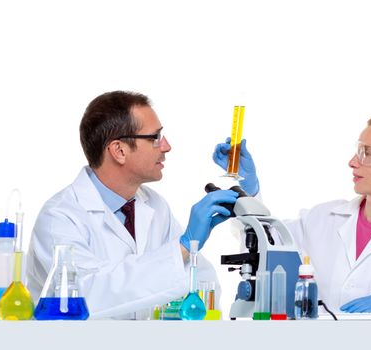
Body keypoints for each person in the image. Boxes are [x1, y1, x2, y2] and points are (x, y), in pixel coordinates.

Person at [27, 91, 239, 319]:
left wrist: (245, 194)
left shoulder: (156, 207)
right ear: (119, 150)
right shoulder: (60, 218)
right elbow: (85, 297)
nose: (167, 146)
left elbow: (205, 286)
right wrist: (183, 248)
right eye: (155, 137)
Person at [213, 113, 371, 313]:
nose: (353, 162)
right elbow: (264, 245)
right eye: (357, 151)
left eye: (368, 153)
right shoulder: (322, 219)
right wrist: (249, 192)